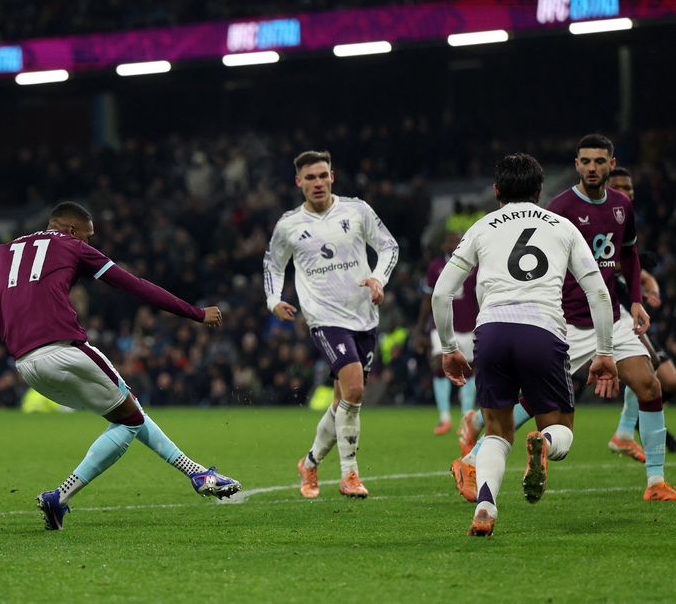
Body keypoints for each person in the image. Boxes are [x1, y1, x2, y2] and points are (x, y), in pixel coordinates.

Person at [0, 202, 241, 530]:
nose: (89, 243)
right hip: (65, 349)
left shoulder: (4, 252)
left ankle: (61, 498)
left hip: (26, 366)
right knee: (132, 416)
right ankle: (196, 474)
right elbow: (135, 286)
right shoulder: (72, 246)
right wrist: (195, 314)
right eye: (87, 236)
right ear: (69, 229)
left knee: (126, 418)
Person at [450, 135, 676, 503]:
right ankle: (473, 455)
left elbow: (630, 257)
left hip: (608, 317)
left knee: (650, 385)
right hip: (565, 322)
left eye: (599, 161)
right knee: (537, 405)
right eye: (585, 161)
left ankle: (655, 481)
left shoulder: (622, 205)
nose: (592, 167)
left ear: (612, 163)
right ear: (576, 165)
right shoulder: (559, 210)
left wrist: (636, 301)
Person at [432, 153, 619, 537]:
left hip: (493, 331)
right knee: (561, 428)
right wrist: (604, 352)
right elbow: (598, 293)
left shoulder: (482, 226)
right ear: (539, 190)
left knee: (497, 432)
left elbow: (441, 294)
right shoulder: (563, 226)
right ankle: (544, 443)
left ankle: (485, 504)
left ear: (497, 190)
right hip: (542, 330)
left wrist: (450, 347)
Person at [263, 150, 399, 499]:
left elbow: (388, 246)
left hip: (364, 315)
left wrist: (379, 279)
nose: (318, 183)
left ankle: (309, 463)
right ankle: (349, 475)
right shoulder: (289, 225)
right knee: (354, 390)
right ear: (299, 182)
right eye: (310, 177)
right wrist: (273, 300)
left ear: (332, 176)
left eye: (323, 175)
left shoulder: (357, 210)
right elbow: (273, 265)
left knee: (344, 401)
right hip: (324, 318)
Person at [605, 167, 676, 455]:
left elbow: (635, 270)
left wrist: (651, 285)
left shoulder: (625, 222)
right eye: (619, 188)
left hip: (625, 309)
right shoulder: (597, 220)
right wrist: (635, 264)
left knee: (669, 381)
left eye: (629, 189)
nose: (626, 194)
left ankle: (628, 430)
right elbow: (597, 264)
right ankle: (627, 431)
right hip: (595, 312)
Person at [416, 231, 479, 435]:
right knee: (439, 364)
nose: (454, 244)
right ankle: (444, 417)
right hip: (441, 326)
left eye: (458, 241)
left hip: (468, 327)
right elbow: (428, 299)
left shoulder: (475, 267)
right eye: (451, 241)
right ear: (444, 245)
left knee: (468, 371)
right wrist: (420, 328)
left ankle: (466, 415)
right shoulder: (435, 267)